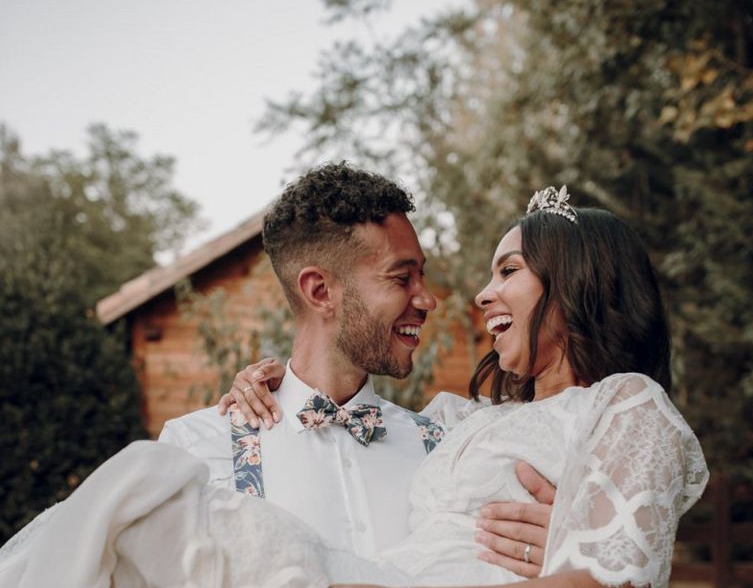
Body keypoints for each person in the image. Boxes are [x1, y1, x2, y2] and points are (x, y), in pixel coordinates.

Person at [0, 184, 707, 588]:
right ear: (319, 291)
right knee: (144, 492)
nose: (441, 300)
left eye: (507, 272)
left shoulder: (441, 433)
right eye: (404, 278)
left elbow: (613, 586)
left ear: (579, 283)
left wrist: (583, 538)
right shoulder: (208, 440)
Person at [157, 162, 551, 567]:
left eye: (422, 276)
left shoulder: (449, 448)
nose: (428, 300)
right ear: (321, 291)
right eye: (401, 279)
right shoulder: (199, 452)